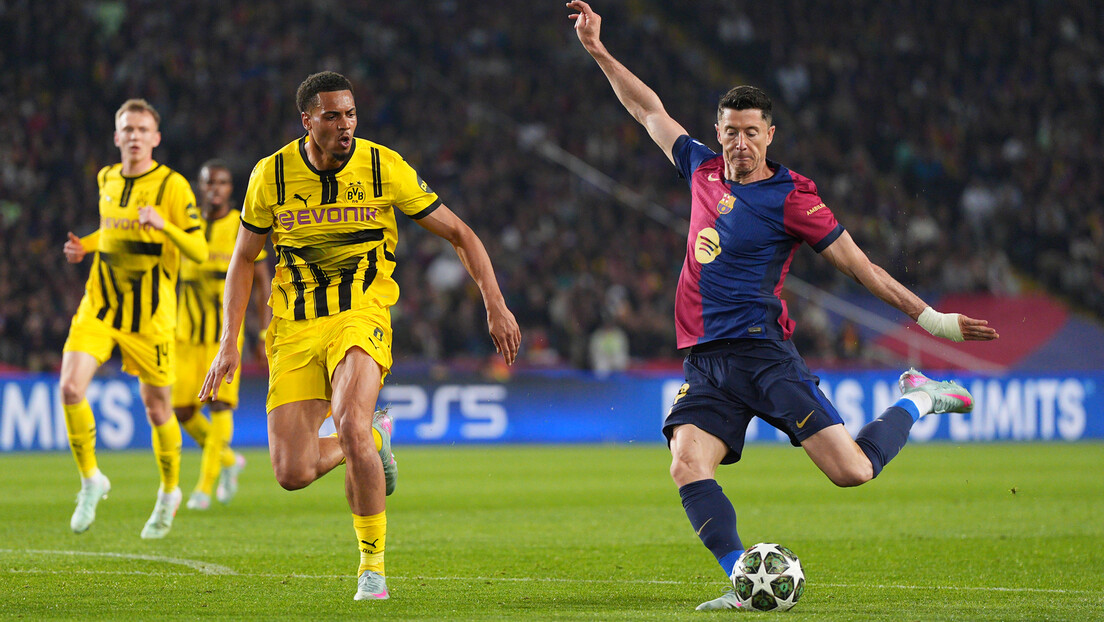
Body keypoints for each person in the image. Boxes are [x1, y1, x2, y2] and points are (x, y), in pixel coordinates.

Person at [567, 1, 999, 610]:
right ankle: (741, 582)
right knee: (686, 464)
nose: (740, 142)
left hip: (764, 355)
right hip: (706, 362)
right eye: (731, 131)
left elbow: (860, 267)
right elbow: (647, 110)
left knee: (852, 471)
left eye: (752, 132)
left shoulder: (794, 197)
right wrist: (598, 51)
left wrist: (934, 321)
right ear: (718, 132)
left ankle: (918, 397)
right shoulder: (700, 169)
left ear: (769, 135)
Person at [199, 71, 521, 601]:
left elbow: (461, 233)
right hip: (294, 326)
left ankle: (372, 568)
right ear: (307, 121)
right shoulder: (270, 175)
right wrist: (229, 340)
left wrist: (495, 302)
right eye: (332, 116)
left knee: (348, 422)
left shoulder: (383, 166)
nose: (345, 125)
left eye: (350, 114)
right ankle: (376, 438)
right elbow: (242, 260)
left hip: (361, 312)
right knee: (292, 471)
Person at [61, 98, 209, 539]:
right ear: (116, 136)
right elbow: (113, 229)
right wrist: (86, 246)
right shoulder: (106, 177)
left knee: (157, 408)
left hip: (151, 319)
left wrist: (165, 226)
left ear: (156, 138)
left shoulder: (173, 186)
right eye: (127, 129)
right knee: (70, 388)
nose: (135, 136)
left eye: (143, 130)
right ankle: (91, 480)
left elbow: (200, 250)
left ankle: (169, 492)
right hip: (99, 306)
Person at [174, 160, 271, 511]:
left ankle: (203, 488)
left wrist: (263, 333)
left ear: (231, 189)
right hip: (185, 333)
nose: (215, 188)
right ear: (200, 187)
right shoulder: (186, 226)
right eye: (209, 182)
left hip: (224, 336)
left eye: (222, 182)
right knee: (181, 409)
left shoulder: (240, 225)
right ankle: (229, 461)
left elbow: (262, 283)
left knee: (219, 405)